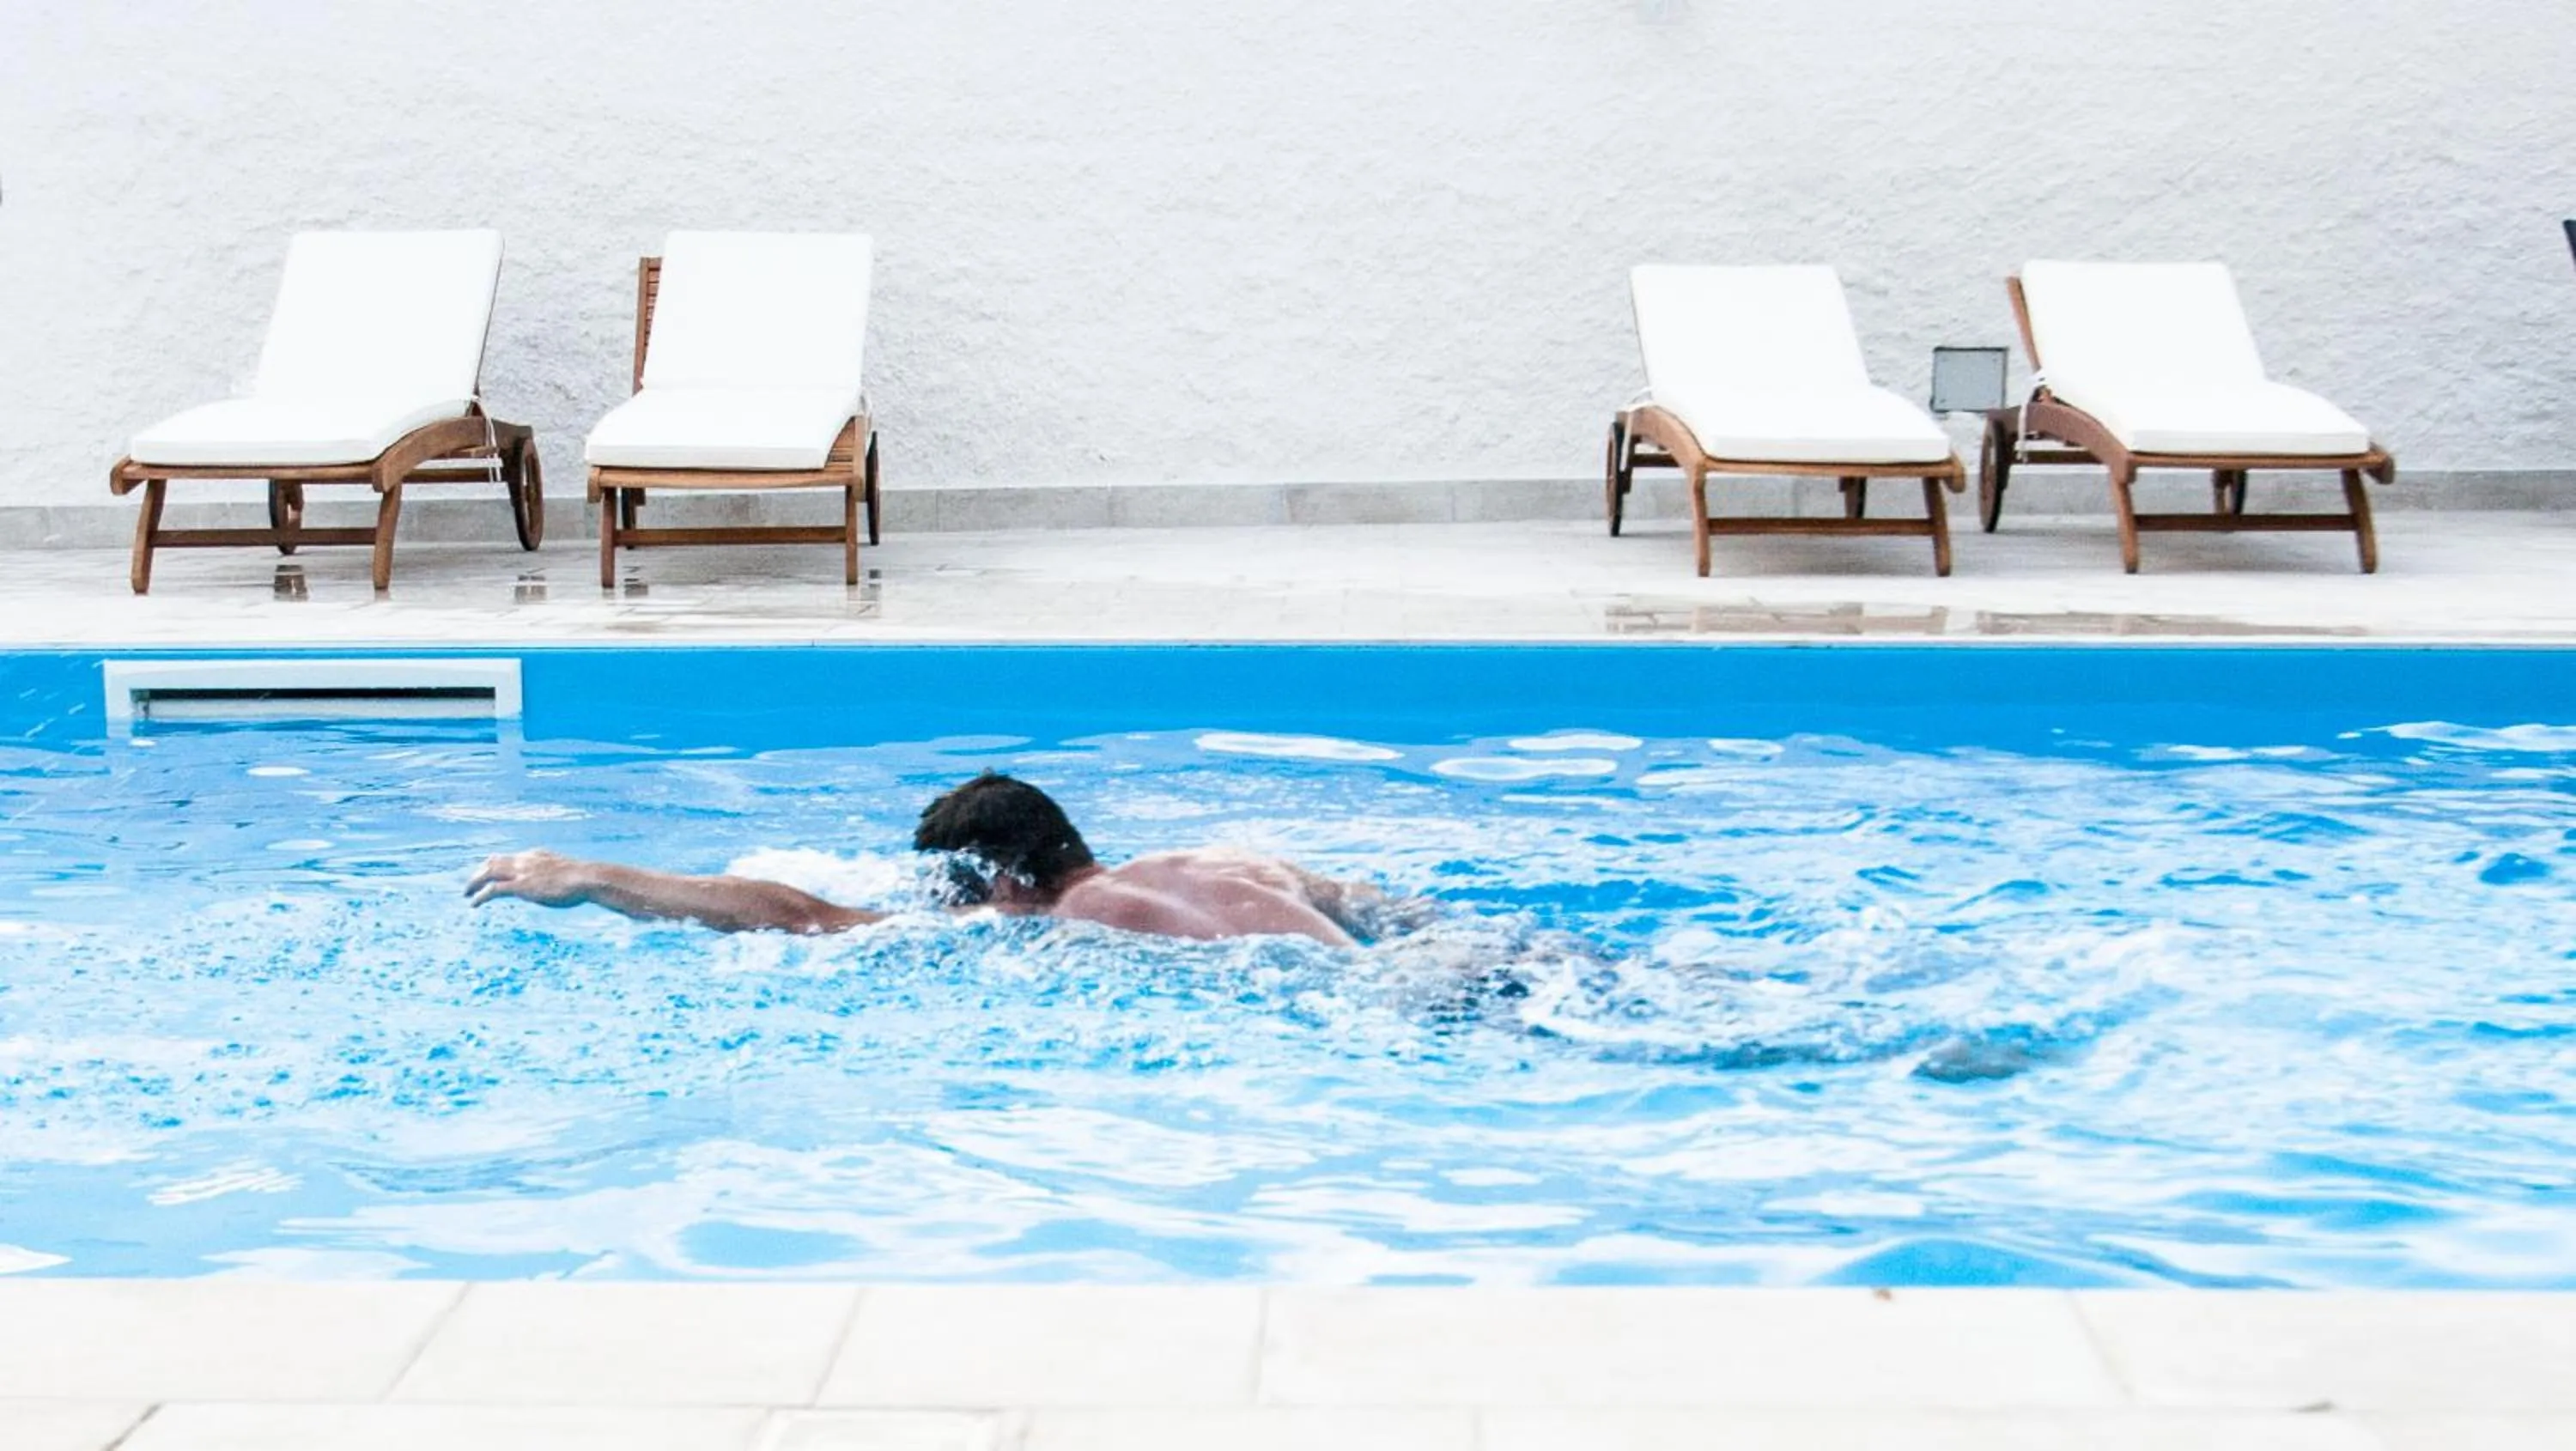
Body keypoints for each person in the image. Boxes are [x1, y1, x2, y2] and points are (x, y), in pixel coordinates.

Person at [466, 771, 1411, 948]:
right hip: (1436, 957)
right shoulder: (1225, 859)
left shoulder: (1055, 919)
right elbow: (1372, 902)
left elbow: (806, 917)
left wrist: (593, 876)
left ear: (1002, 876)